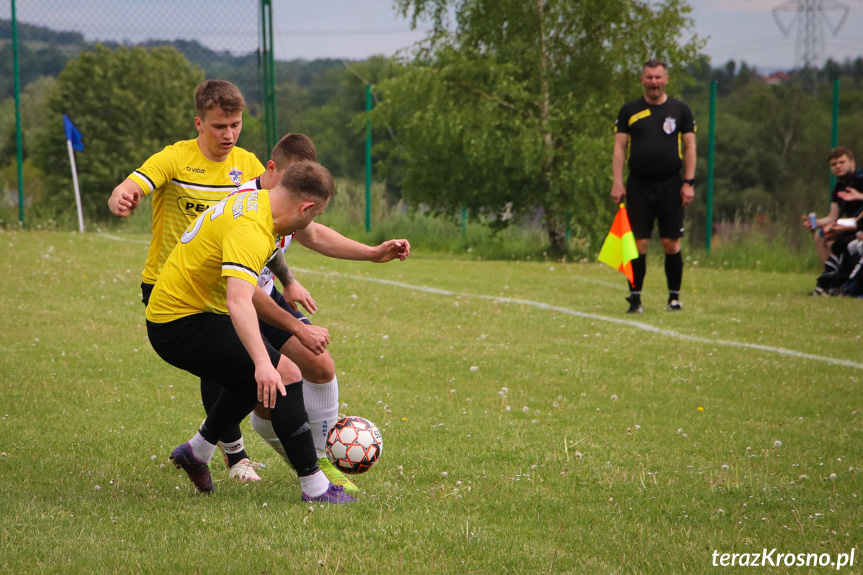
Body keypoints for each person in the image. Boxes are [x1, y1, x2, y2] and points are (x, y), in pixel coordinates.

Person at [146, 160, 354, 503]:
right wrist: (263, 362)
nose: (311, 222)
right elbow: (239, 301)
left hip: (187, 312)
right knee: (283, 373)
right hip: (178, 324)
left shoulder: (258, 202)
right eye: (314, 215)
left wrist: (295, 328)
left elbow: (250, 290)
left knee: (251, 378)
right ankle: (316, 488)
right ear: (305, 207)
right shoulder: (252, 230)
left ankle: (195, 452)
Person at [229, 134, 410, 496]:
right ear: (273, 170)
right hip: (235, 305)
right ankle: (299, 465)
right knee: (270, 393)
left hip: (264, 295)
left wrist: (373, 253)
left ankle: (320, 461)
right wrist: (296, 325)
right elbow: (238, 290)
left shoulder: (291, 204)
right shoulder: (243, 207)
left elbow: (313, 235)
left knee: (321, 365)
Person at [108, 80, 269, 481]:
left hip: (224, 284)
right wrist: (121, 195)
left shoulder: (248, 166)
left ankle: (216, 453)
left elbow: (276, 221)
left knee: (232, 364)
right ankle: (235, 457)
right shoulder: (176, 159)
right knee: (219, 365)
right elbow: (135, 183)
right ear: (199, 123)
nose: (229, 134)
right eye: (219, 126)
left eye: (235, 124)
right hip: (170, 285)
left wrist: (289, 279)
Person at [610, 59, 696, 313]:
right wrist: (617, 182)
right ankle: (635, 299)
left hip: (671, 185)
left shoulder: (680, 110)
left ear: (666, 79)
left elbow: (690, 147)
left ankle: (674, 298)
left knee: (671, 243)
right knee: (638, 244)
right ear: (642, 80)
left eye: (658, 77)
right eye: (649, 77)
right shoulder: (629, 110)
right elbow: (619, 148)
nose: (654, 82)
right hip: (638, 186)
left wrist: (689, 182)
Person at [801, 146, 863, 289]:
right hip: (848, 224)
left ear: (852, 162)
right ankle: (828, 277)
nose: (838, 167)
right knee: (821, 234)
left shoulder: (860, 178)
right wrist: (816, 223)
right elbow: (832, 216)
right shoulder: (838, 188)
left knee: (832, 238)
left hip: (858, 225)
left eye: (842, 162)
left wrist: (858, 196)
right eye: (834, 164)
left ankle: (839, 279)